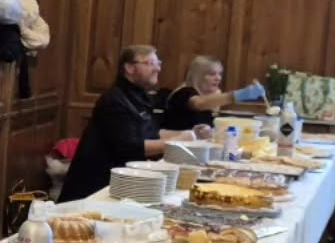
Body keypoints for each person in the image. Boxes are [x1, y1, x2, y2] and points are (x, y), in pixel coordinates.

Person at [59, 44, 198, 202]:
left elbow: (150, 132)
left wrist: (188, 134)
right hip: (97, 188)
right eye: (150, 63)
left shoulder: (139, 96)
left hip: (125, 182)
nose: (158, 69)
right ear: (130, 68)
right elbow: (130, 147)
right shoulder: (114, 100)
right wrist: (177, 142)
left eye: (158, 63)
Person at [163, 54, 265, 132]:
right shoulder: (183, 92)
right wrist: (240, 95)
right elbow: (200, 104)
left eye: (220, 73)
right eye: (212, 74)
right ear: (198, 76)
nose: (218, 78)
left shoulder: (212, 96)